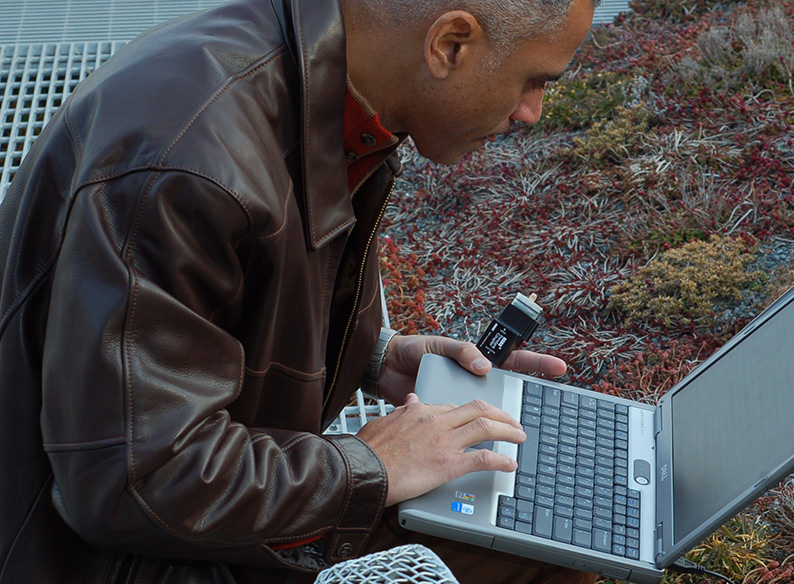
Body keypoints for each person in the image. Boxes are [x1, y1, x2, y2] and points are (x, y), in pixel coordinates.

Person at [0, 0, 597, 582]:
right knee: (545, 552)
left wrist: (375, 357)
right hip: (96, 552)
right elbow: (132, 481)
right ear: (450, 45)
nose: (531, 111)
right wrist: (373, 467)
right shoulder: (186, 167)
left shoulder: (326, 87)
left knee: (546, 527)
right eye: (533, 80)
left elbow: (209, 314)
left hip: (176, 499)